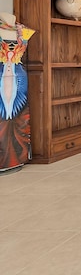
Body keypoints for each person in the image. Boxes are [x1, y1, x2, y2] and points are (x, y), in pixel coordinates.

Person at [0, 12, 35, 171]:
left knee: (19, 116)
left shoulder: (22, 30)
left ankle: (18, 158)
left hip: (19, 76)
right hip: (2, 75)